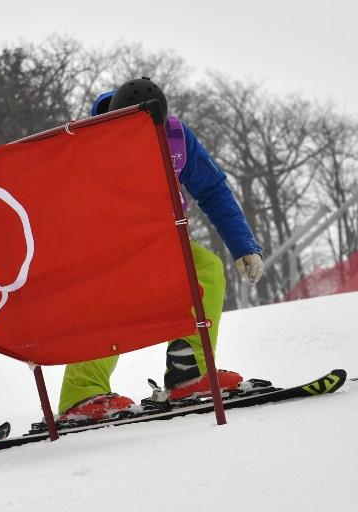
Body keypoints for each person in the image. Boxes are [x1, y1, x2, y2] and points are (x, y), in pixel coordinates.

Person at [58, 77, 265, 423]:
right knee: (109, 297)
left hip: (161, 238)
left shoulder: (175, 137)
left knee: (207, 270)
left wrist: (244, 245)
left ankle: (190, 373)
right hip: (107, 243)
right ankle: (82, 393)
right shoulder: (88, 141)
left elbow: (212, 189)